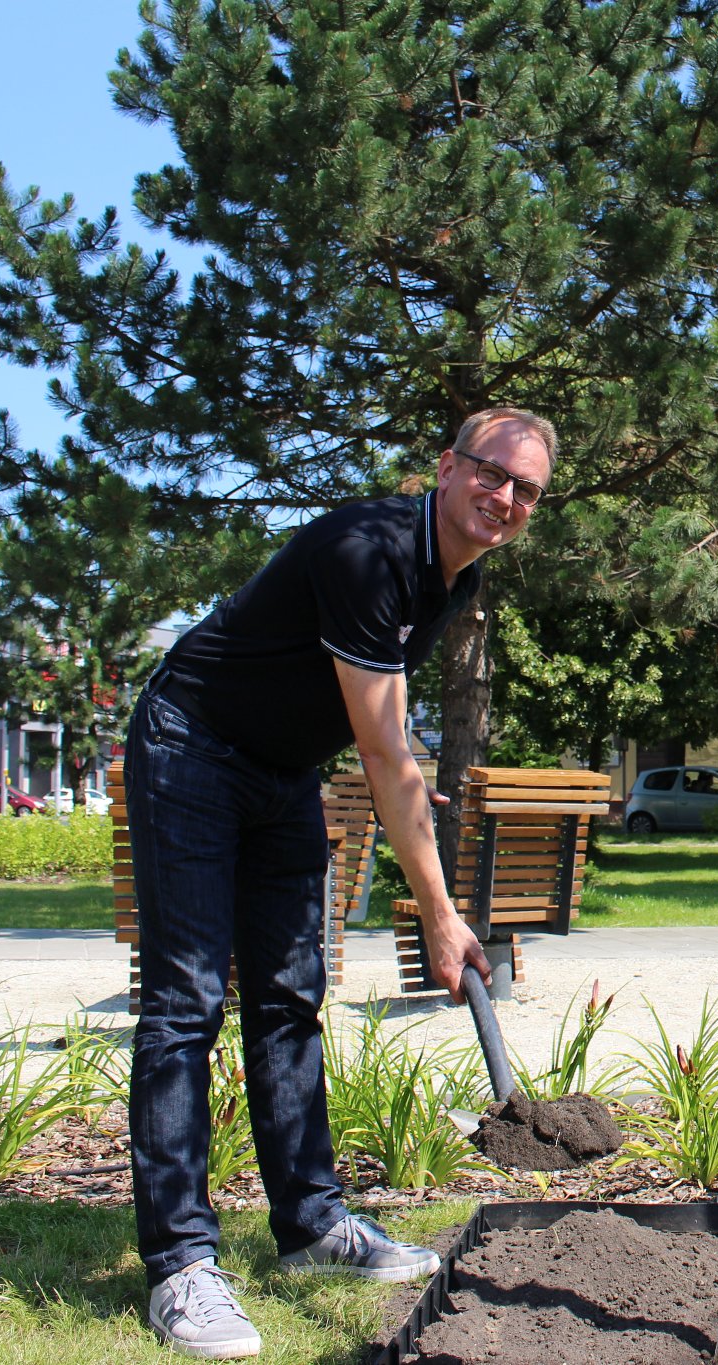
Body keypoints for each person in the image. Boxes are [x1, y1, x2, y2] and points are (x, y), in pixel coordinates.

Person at [127, 408, 556, 1359]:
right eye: (493, 474)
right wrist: (441, 917)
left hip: (282, 772)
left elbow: (382, 716)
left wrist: (401, 756)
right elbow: (379, 747)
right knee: (185, 1002)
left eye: (528, 489)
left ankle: (313, 1226)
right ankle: (182, 1266)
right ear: (447, 467)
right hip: (191, 746)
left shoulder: (454, 573)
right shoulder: (368, 549)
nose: (507, 498)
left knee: (290, 997)